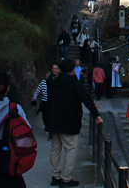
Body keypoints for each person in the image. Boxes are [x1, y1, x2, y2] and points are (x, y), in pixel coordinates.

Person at [45, 58, 102, 187]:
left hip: (54, 121)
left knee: (55, 149)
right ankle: (66, 178)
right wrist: (96, 115)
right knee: (70, 148)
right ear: (72, 69)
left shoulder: (53, 82)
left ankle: (55, 176)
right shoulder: (73, 83)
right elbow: (86, 99)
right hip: (69, 120)